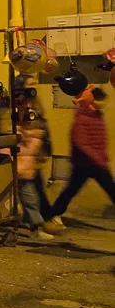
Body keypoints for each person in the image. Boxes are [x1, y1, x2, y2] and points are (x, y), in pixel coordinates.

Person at [50, 86, 115, 218]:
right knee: (71, 190)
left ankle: (53, 214)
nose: (103, 104)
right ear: (92, 101)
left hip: (94, 161)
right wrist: (97, 157)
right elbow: (80, 142)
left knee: (72, 190)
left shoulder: (97, 116)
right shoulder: (82, 118)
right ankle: (52, 215)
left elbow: (100, 138)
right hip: (86, 163)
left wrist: (102, 155)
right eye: (100, 101)